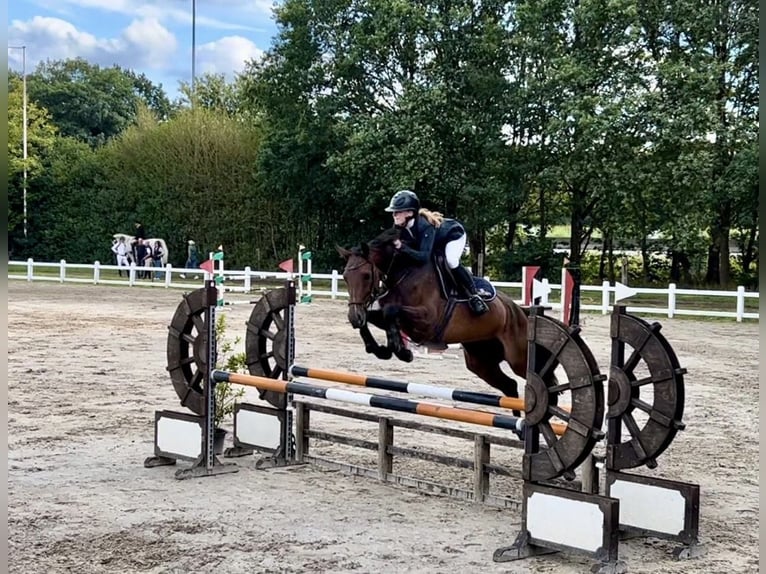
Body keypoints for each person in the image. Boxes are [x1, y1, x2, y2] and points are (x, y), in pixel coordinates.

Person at [385, 189, 488, 315]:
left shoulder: (425, 226)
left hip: (453, 235)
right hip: (435, 242)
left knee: (451, 261)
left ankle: (474, 295)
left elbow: (423, 257)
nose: (394, 215)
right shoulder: (399, 226)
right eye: (394, 212)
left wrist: (402, 247)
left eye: (398, 212)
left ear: (410, 213)